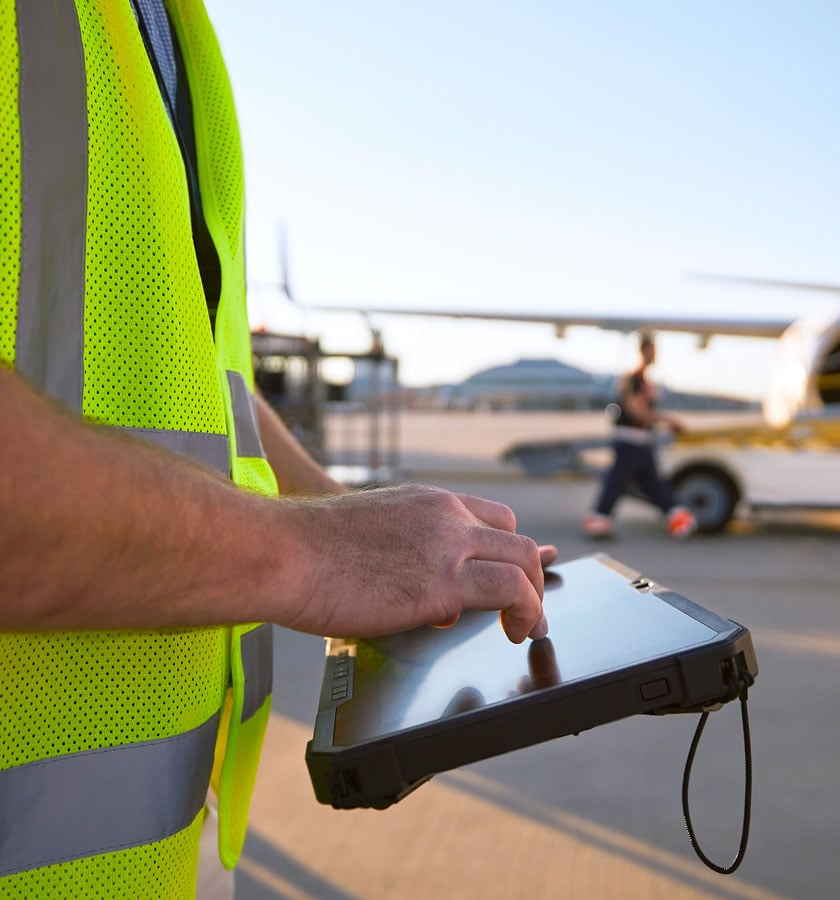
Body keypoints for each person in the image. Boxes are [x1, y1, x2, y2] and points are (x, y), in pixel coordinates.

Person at [0, 3, 552, 897]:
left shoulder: (162, 27)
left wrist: (371, 535)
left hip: (178, 843)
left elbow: (203, 371)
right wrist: (311, 553)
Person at [581, 333, 697, 540]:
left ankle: (678, 517)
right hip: (630, 438)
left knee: (650, 482)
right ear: (643, 351)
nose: (654, 354)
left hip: (641, 439)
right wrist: (667, 420)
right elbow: (635, 410)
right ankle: (599, 519)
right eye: (651, 350)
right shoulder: (635, 379)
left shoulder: (643, 379)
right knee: (619, 480)